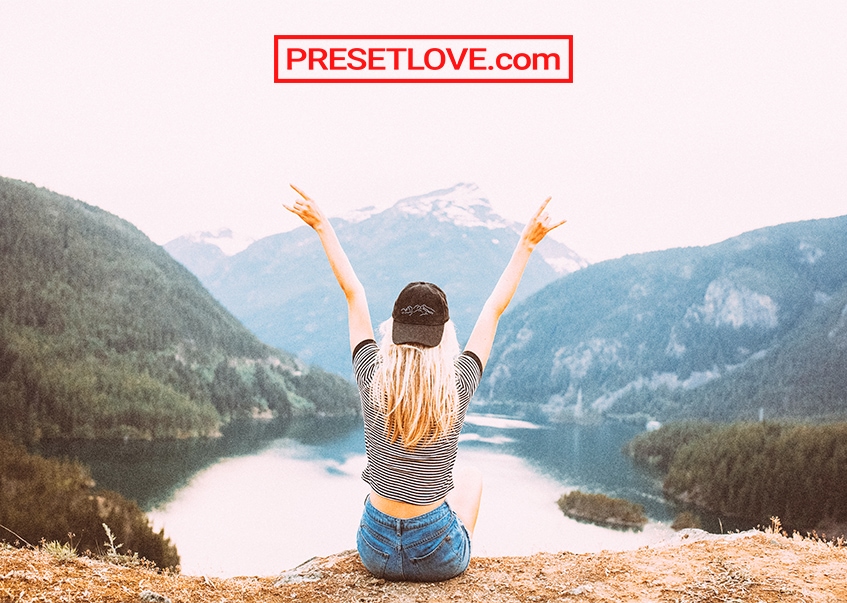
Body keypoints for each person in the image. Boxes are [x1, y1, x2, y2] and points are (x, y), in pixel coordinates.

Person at [285, 185, 565, 582]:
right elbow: (494, 309)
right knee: (471, 478)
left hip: (374, 548)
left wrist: (323, 227)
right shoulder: (457, 385)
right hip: (437, 555)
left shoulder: (372, 375)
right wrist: (526, 245)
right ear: (444, 334)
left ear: (394, 329)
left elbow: (354, 293)